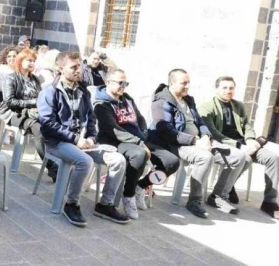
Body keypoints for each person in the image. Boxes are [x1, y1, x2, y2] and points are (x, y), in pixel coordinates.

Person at [37, 51, 129, 227]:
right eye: (73, 67)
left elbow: (91, 118)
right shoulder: (50, 91)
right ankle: (72, 204)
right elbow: (47, 124)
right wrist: (75, 139)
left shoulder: (82, 90)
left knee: (118, 160)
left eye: (79, 66)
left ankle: (105, 204)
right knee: (85, 161)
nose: (78, 70)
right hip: (58, 142)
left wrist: (92, 137)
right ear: (61, 68)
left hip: (83, 142)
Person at [147, 69, 246, 218]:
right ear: (172, 83)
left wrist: (205, 136)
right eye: (183, 83)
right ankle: (194, 200)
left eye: (188, 83)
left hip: (198, 141)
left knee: (238, 156)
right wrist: (194, 141)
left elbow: (200, 122)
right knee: (205, 157)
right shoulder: (162, 101)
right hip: (176, 144)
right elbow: (166, 130)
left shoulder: (188, 100)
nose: (187, 86)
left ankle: (218, 196)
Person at [93, 69, 180, 220]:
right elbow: (114, 130)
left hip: (137, 140)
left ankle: (140, 186)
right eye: (121, 83)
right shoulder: (101, 104)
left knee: (171, 161)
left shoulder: (127, 98)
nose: (124, 86)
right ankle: (128, 195)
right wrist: (139, 142)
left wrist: (143, 134)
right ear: (108, 82)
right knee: (139, 154)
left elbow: (140, 119)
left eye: (126, 83)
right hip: (115, 141)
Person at [199, 76, 279, 218]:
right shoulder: (207, 106)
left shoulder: (238, 105)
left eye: (231, 88)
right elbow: (213, 133)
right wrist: (238, 145)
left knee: (273, 158)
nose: (228, 91)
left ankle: (269, 202)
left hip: (243, 143)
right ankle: (220, 194)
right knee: (244, 158)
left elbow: (247, 125)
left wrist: (250, 140)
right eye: (224, 87)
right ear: (216, 89)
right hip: (222, 144)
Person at [0, 49, 56, 175]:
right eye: (29, 60)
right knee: (39, 129)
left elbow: (40, 98)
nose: (32, 63)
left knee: (54, 126)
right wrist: (33, 103)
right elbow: (10, 102)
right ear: (20, 61)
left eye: (34, 61)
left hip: (33, 113)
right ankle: (52, 168)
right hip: (14, 113)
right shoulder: (11, 78)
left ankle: (60, 161)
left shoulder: (35, 79)